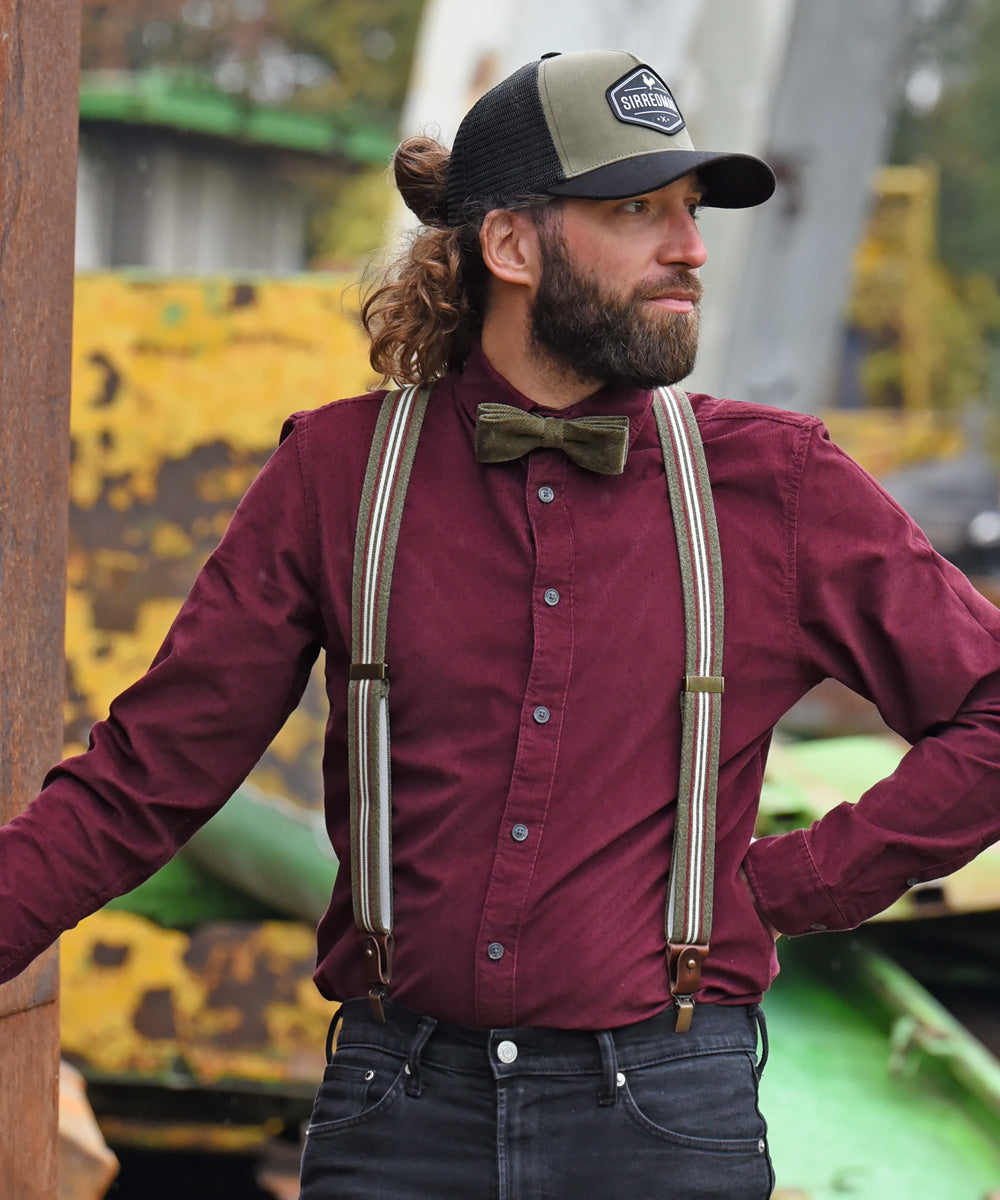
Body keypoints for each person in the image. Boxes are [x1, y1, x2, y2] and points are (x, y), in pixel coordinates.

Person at [2, 47, 1000, 1200]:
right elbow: (145, 778)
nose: (690, 247)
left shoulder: (776, 485)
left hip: (662, 1113)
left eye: (689, 209)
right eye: (636, 210)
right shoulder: (337, 474)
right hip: (397, 1109)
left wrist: (793, 885)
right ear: (511, 245)